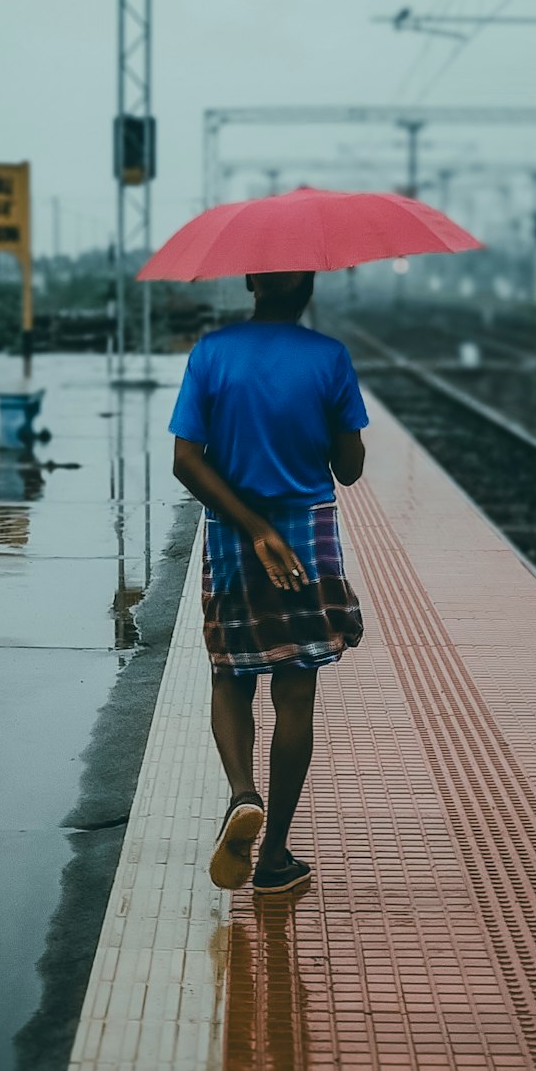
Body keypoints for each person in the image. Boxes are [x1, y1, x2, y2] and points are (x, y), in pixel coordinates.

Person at [170, 270, 368, 894]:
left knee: (230, 673)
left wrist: (252, 526)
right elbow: (350, 467)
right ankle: (275, 853)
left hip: (232, 530)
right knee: (295, 690)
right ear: (308, 286)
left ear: (251, 282)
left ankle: (241, 794)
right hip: (307, 533)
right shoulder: (329, 358)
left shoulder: (211, 353)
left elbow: (185, 461)